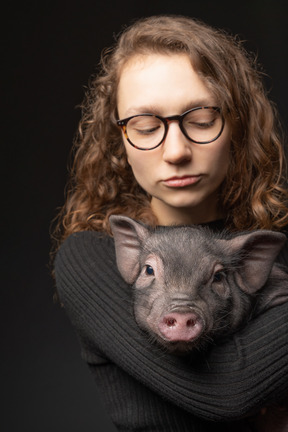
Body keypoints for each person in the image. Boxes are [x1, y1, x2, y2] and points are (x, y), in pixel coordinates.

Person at [52, 15, 288, 431]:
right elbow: (229, 390)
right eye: (145, 127)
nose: (175, 151)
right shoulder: (94, 255)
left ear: (238, 125)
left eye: (201, 120)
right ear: (119, 141)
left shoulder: (262, 247)